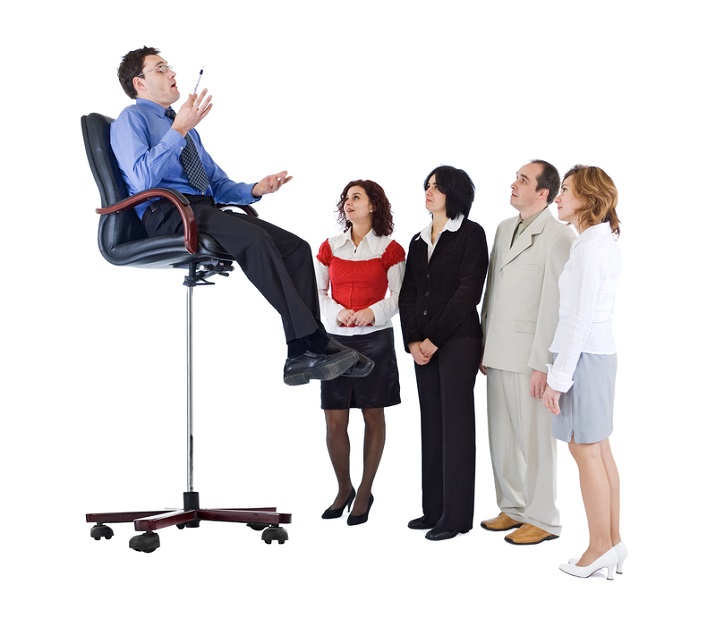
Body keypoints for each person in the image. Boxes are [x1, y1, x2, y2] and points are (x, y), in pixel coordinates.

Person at [110, 46, 370, 386]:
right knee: (255, 239)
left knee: (296, 248)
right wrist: (179, 131)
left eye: (169, 67)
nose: (172, 73)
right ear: (139, 83)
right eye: (160, 69)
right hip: (168, 212)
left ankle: (299, 354)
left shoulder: (185, 129)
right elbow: (142, 178)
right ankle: (315, 343)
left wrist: (255, 189)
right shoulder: (132, 120)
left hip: (201, 209)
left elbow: (215, 184)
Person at [479, 160, 576, 545]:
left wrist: (543, 365)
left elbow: (555, 306)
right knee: (502, 438)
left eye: (523, 180)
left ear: (543, 193)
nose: (513, 184)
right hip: (498, 349)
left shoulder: (559, 236)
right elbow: (492, 290)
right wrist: (483, 342)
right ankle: (514, 508)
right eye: (515, 178)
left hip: (530, 356)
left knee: (535, 442)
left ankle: (543, 518)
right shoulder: (504, 228)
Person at [542, 165, 625, 580]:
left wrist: (557, 380)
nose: (557, 198)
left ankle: (599, 548)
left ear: (588, 198)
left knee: (585, 450)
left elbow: (579, 320)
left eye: (565, 190)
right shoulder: (597, 241)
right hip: (596, 355)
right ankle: (612, 543)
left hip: (583, 357)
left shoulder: (590, 248)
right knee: (599, 449)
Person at [399, 165, 488, 541]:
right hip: (423, 345)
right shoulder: (417, 240)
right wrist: (412, 341)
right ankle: (433, 511)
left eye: (437, 187)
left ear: (455, 192)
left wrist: (433, 338)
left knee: (456, 427)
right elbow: (408, 293)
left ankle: (456, 517)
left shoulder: (471, 233)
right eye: (427, 186)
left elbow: (469, 292)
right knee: (431, 424)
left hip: (458, 342)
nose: (429, 192)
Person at [315, 180, 406, 525]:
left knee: (372, 415)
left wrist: (373, 312)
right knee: (334, 420)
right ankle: (344, 488)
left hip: (374, 340)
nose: (348, 203)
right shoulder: (330, 246)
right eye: (346, 199)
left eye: (356, 197)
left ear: (373, 205)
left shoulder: (390, 248)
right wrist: (338, 312)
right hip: (335, 341)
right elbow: (318, 292)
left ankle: (365, 491)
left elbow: (399, 296)